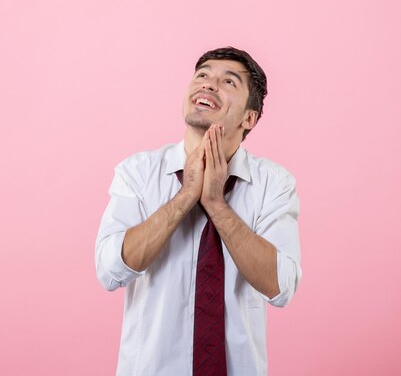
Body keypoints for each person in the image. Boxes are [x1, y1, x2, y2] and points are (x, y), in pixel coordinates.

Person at [95, 47, 301, 376]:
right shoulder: (137, 173)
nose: (208, 85)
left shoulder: (273, 184)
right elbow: (109, 269)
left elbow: (281, 287)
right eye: (202, 75)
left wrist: (217, 204)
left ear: (249, 118)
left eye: (228, 82)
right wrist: (185, 197)